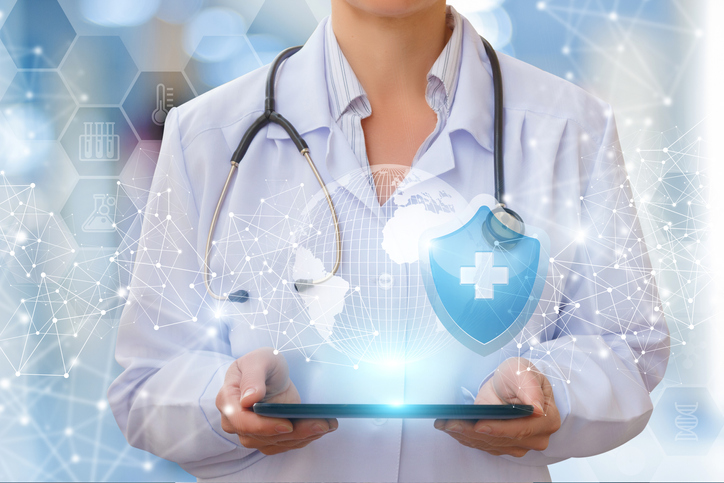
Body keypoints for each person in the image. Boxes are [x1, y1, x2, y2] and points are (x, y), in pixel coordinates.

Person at [108, 1, 670, 481]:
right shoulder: (206, 135)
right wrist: (223, 397)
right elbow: (147, 383)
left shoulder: (571, 128)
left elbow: (626, 346)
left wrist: (552, 391)